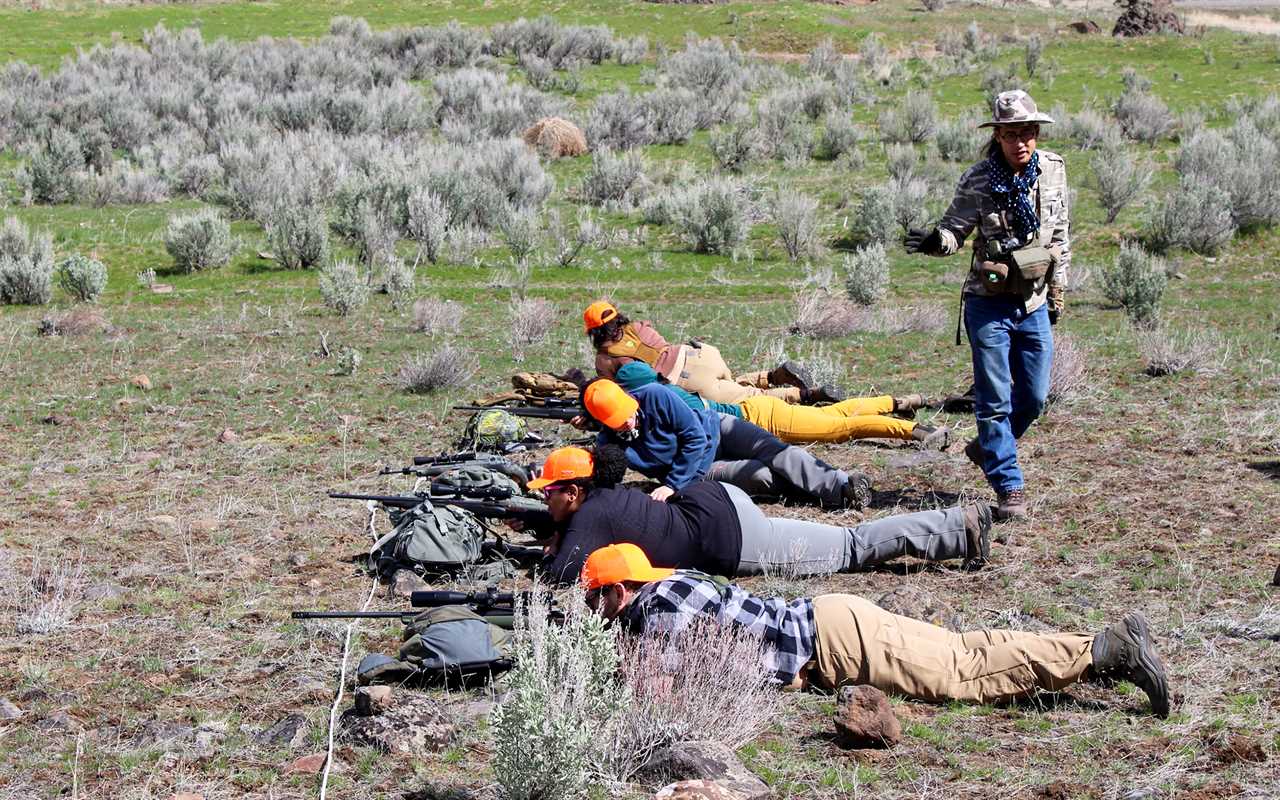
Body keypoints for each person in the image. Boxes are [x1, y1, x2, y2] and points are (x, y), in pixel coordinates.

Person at [581, 543, 1171, 717]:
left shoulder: (657, 612)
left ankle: (1108, 651)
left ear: (617, 591)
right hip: (832, 624)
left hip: (835, 642)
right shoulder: (671, 584)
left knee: (960, 674)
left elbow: (655, 693)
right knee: (963, 653)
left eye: (595, 603)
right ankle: (1097, 648)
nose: (596, 615)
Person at [905, 90, 1070, 521]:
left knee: (1033, 398)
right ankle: (1008, 485)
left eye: (1028, 133)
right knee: (994, 400)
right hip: (988, 304)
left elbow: (1060, 236)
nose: (1021, 143)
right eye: (1012, 134)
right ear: (997, 135)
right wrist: (933, 242)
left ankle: (987, 448)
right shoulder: (978, 179)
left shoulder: (1053, 171)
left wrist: (1057, 295)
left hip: (1033, 302)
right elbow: (954, 231)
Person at [522, 445, 990, 584]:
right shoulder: (605, 497)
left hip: (734, 537)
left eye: (550, 493)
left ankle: (957, 528)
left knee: (851, 547)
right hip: (717, 499)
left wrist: (554, 545)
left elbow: (560, 577)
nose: (547, 500)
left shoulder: (589, 517)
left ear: (573, 490)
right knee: (842, 537)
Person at [578, 377, 872, 509]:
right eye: (617, 422)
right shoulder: (609, 441)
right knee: (759, 476)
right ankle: (814, 494)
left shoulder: (655, 394)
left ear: (629, 397)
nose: (627, 423)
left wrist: (671, 485)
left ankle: (842, 487)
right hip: (699, 471)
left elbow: (694, 436)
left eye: (627, 414)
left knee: (777, 451)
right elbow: (601, 475)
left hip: (716, 428)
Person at [614, 361, 949, 449]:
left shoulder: (659, 402)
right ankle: (899, 402)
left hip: (761, 421)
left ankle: (915, 432)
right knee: (835, 413)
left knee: (839, 430)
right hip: (755, 408)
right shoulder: (668, 390)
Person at [583, 300, 845, 405]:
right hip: (701, 354)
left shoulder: (605, 359)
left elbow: (616, 392)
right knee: (731, 386)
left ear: (593, 332)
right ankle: (773, 375)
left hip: (684, 380)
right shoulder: (637, 326)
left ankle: (807, 395)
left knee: (750, 400)